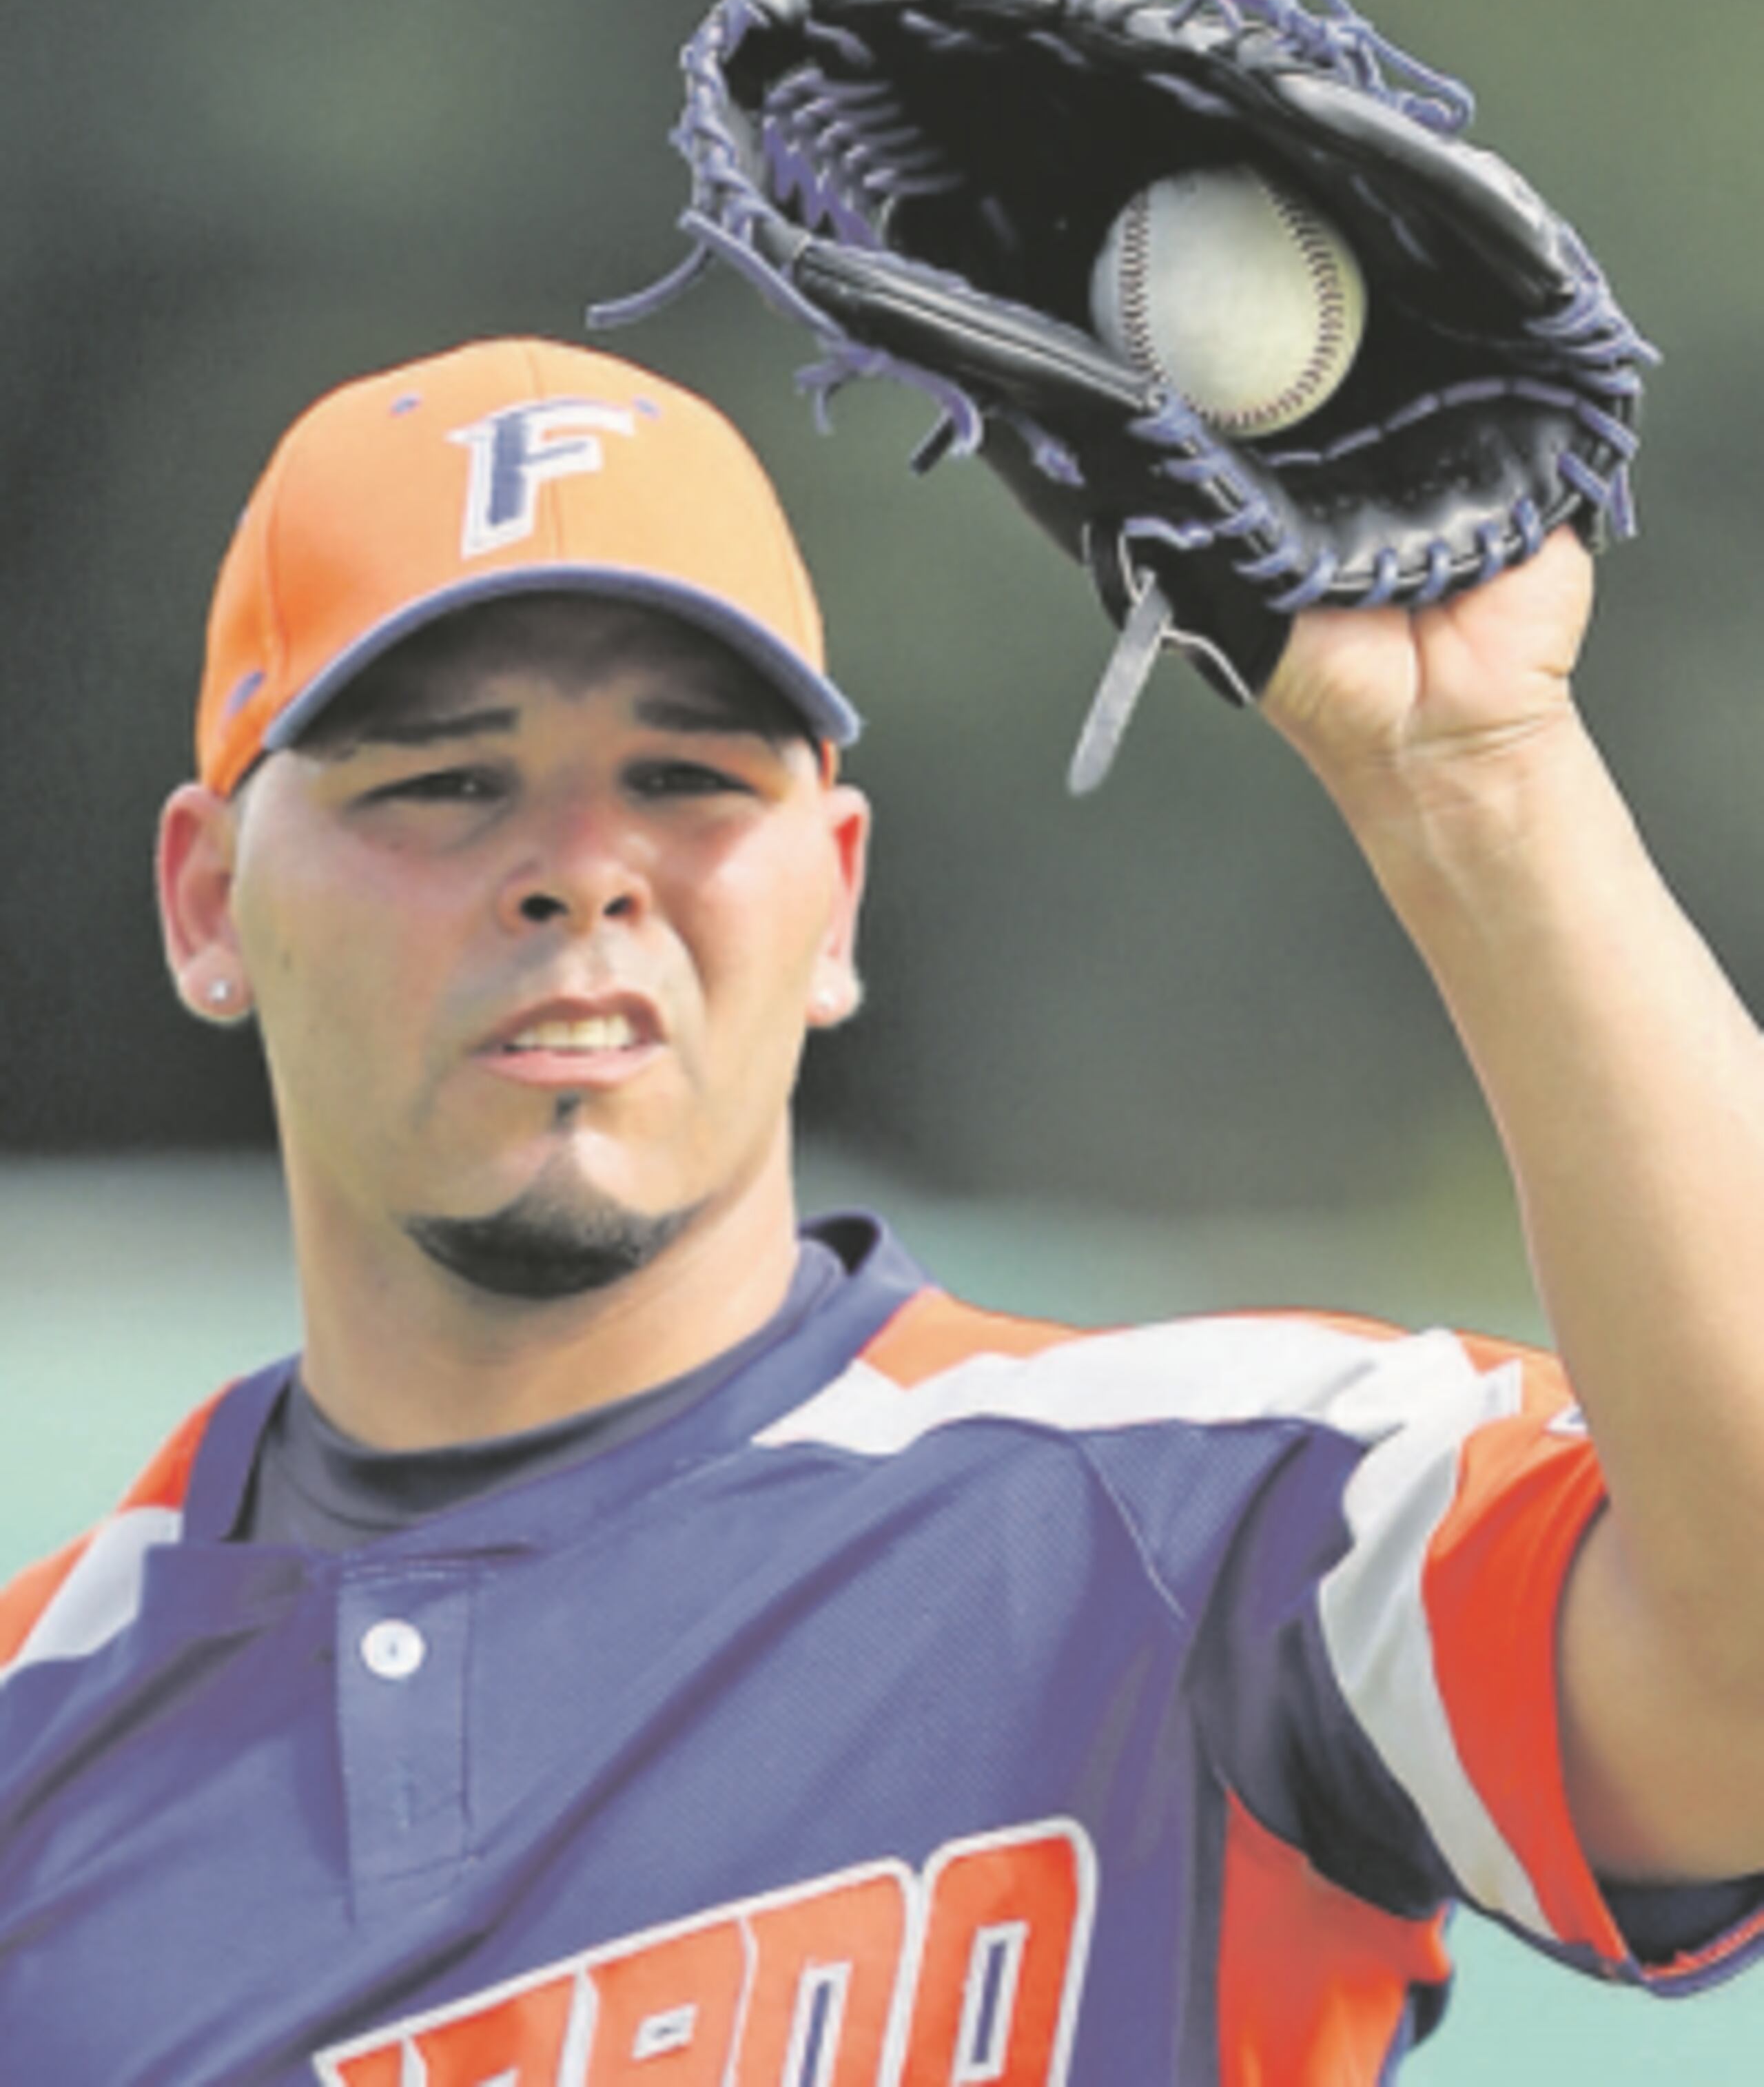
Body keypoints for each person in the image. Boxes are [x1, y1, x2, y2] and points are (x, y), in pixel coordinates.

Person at [2, 334, 1763, 2086]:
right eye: (441, 782)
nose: (577, 868)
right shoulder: (37, 1740)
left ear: (833, 898)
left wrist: (1479, 772)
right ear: (210, 900)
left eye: (690, 775)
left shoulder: (1212, 1509)